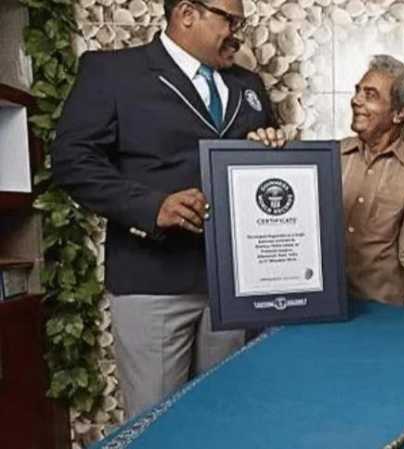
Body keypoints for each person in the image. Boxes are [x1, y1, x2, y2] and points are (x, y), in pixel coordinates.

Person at [52, 0, 284, 418]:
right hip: (153, 281)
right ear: (187, 14)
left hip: (232, 287)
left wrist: (269, 149)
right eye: (230, 20)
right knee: (157, 424)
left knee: (228, 417)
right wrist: (151, 207)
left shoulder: (248, 84)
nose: (237, 33)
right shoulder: (112, 72)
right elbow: (73, 162)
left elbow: (260, 180)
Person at [252, 55, 404, 309]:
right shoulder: (329, 157)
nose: (356, 100)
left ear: (399, 113)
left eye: (370, 95)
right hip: (321, 304)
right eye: (358, 91)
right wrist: (260, 151)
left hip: (380, 309)